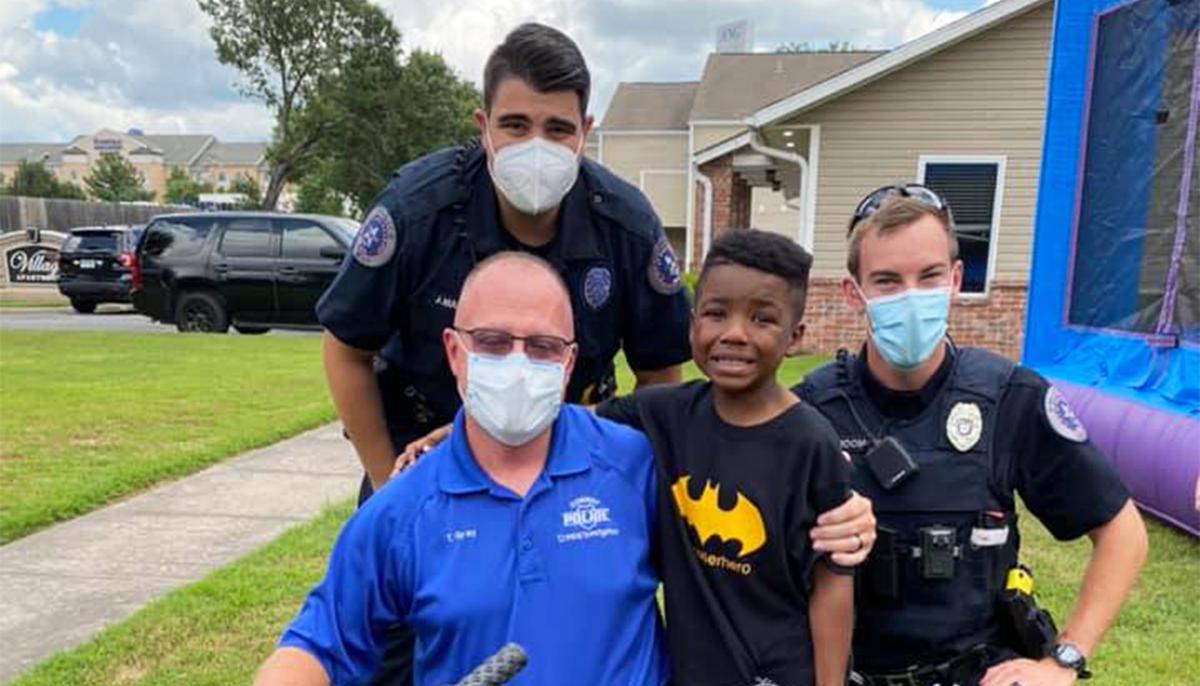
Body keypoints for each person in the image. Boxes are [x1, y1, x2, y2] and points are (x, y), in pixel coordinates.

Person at [317, 22, 691, 503]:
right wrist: (389, 482)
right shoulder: (416, 211)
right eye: (515, 125)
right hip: (422, 461)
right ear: (482, 125)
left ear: (586, 133)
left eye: (558, 129)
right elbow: (347, 348)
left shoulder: (627, 228)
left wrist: (615, 476)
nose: (536, 146)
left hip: (568, 469)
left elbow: (660, 376)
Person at [255, 252, 669, 686]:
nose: (517, 364)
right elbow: (317, 647)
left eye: (542, 347)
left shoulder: (635, 467)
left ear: (568, 362)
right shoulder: (404, 509)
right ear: (454, 351)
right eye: (493, 342)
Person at [794, 186, 1149, 686]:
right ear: (855, 293)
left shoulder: (1011, 399)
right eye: (888, 281)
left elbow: (1122, 534)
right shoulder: (810, 409)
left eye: (929, 276)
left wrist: (1062, 661)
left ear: (956, 279)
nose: (911, 297)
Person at [597, 230, 856, 686]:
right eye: (717, 314)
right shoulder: (664, 413)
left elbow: (832, 582)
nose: (734, 334)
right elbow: (574, 422)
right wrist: (466, 429)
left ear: (794, 336)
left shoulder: (810, 443)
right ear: (693, 324)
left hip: (778, 673)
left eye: (761, 319)